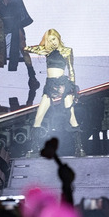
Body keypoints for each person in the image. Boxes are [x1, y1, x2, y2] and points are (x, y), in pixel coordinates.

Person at [24, 29, 85, 157]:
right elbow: (26, 49)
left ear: (58, 37)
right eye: (50, 40)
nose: (52, 42)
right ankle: (34, 148)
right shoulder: (47, 51)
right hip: (50, 85)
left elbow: (71, 70)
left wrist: (73, 89)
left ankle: (79, 148)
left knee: (71, 115)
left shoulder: (67, 51)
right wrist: (41, 47)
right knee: (39, 115)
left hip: (63, 84)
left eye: (54, 39)